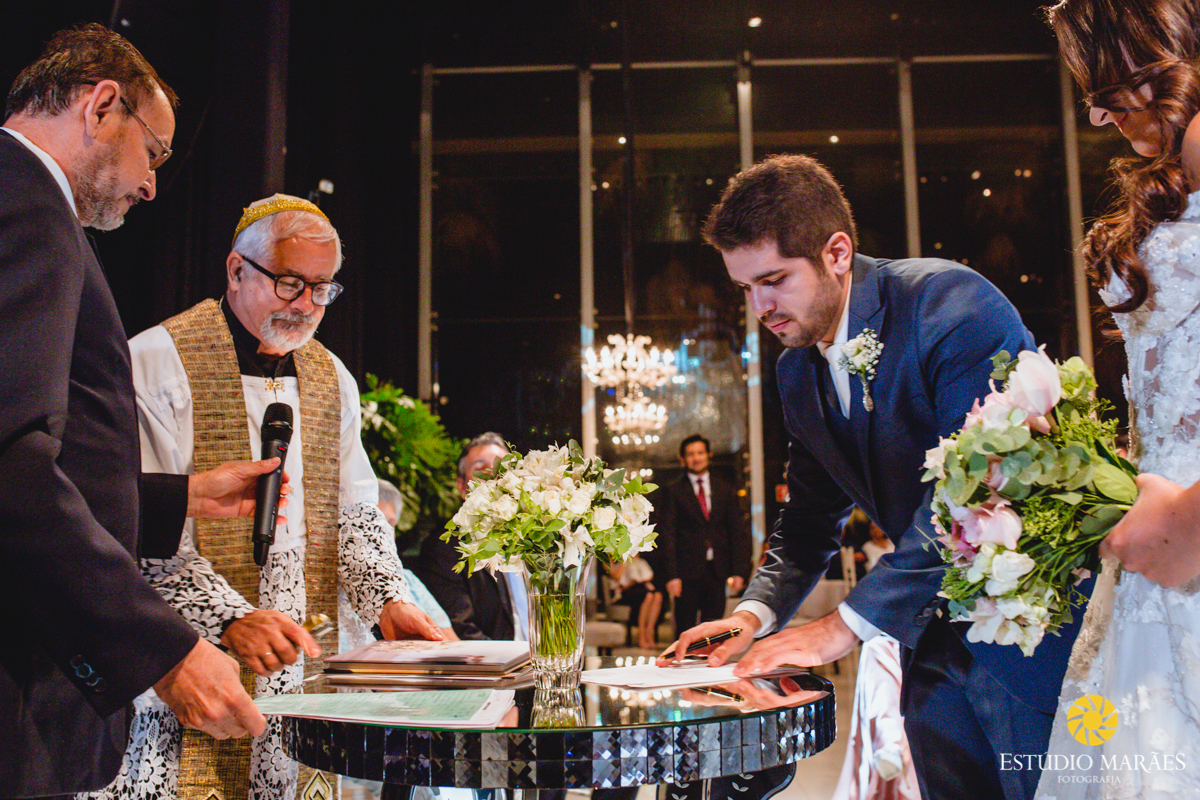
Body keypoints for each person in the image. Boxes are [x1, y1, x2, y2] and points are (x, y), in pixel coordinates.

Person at [661, 154, 1088, 800]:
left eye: (773, 280)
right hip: (928, 651)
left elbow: (979, 488)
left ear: (837, 253)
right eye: (746, 288)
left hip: (1024, 640)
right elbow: (809, 519)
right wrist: (752, 614)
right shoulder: (795, 371)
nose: (760, 308)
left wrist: (839, 627)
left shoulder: (949, 304)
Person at [88, 194, 444, 800]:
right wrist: (230, 619)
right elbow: (131, 521)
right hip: (189, 658)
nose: (306, 304)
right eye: (289, 283)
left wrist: (387, 601)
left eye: (322, 289)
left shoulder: (332, 377)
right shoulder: (157, 363)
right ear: (236, 270)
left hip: (303, 664)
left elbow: (358, 512)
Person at [0, 24, 271, 796]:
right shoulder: (28, 204)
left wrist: (182, 496)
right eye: (153, 152)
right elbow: (10, 465)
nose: (152, 185)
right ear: (101, 105)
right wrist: (162, 650)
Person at [1034, 1, 1200, 795]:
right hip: (1154, 575)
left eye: (1105, 85)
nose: (1098, 115)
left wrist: (1188, 520)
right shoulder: (1180, 165)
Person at [412, 433, 530, 641]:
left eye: (502, 467)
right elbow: (462, 631)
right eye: (480, 468)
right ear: (462, 487)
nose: (493, 474)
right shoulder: (444, 549)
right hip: (497, 660)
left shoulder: (532, 537)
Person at [655, 434, 753, 638]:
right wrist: (672, 575)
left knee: (715, 630)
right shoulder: (673, 491)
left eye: (700, 453)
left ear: (709, 455)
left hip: (718, 571)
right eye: (691, 454)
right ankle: (685, 660)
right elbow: (667, 534)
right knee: (685, 631)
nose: (696, 458)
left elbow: (737, 531)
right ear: (683, 459)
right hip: (685, 573)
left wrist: (739, 571)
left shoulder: (725, 489)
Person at [376, 478, 457, 642]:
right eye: (374, 524)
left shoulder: (409, 580)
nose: (383, 534)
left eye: (390, 525)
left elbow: (452, 644)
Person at [608, 555, 663, 649]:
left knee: (658, 596)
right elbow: (617, 576)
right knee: (648, 596)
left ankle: (649, 630)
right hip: (623, 591)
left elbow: (648, 575)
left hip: (640, 588)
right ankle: (641, 633)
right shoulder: (610, 560)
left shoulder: (639, 561)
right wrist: (626, 560)